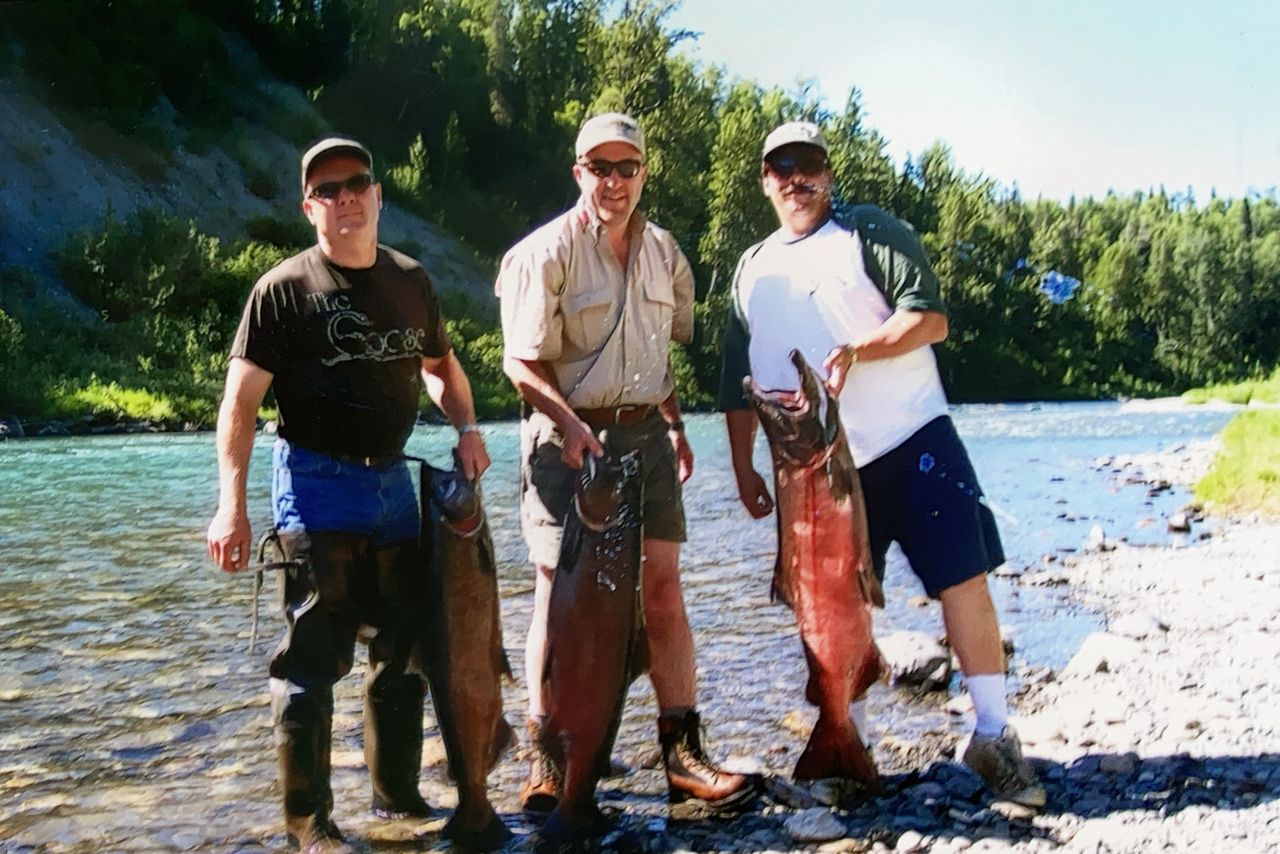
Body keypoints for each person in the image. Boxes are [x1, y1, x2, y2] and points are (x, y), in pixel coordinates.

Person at [719, 121, 1046, 810]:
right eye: (780, 168)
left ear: (829, 175)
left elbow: (929, 320)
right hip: (816, 472)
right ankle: (847, 745)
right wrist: (743, 467)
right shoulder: (751, 269)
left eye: (808, 166)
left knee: (964, 580)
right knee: (833, 605)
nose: (795, 180)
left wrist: (859, 349)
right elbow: (731, 380)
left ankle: (992, 733)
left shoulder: (869, 232)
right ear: (763, 181)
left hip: (912, 440)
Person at [206, 136, 491, 852]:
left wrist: (466, 426)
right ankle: (310, 827)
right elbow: (240, 403)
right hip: (315, 483)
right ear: (310, 208)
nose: (346, 198)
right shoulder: (283, 289)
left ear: (378, 194)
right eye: (328, 190)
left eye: (357, 182)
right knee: (313, 659)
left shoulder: (411, 280)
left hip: (396, 485)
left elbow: (441, 368)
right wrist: (230, 504)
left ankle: (398, 802)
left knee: (402, 653)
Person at [496, 112, 755, 814]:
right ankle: (547, 754)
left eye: (627, 168)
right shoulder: (541, 253)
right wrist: (575, 426)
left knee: (664, 590)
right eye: (600, 168)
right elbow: (519, 363)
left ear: (644, 173)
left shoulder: (667, 253)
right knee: (557, 591)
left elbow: (656, 354)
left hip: (645, 435)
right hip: (562, 440)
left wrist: (674, 426)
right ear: (577, 172)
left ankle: (682, 750)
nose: (614, 182)